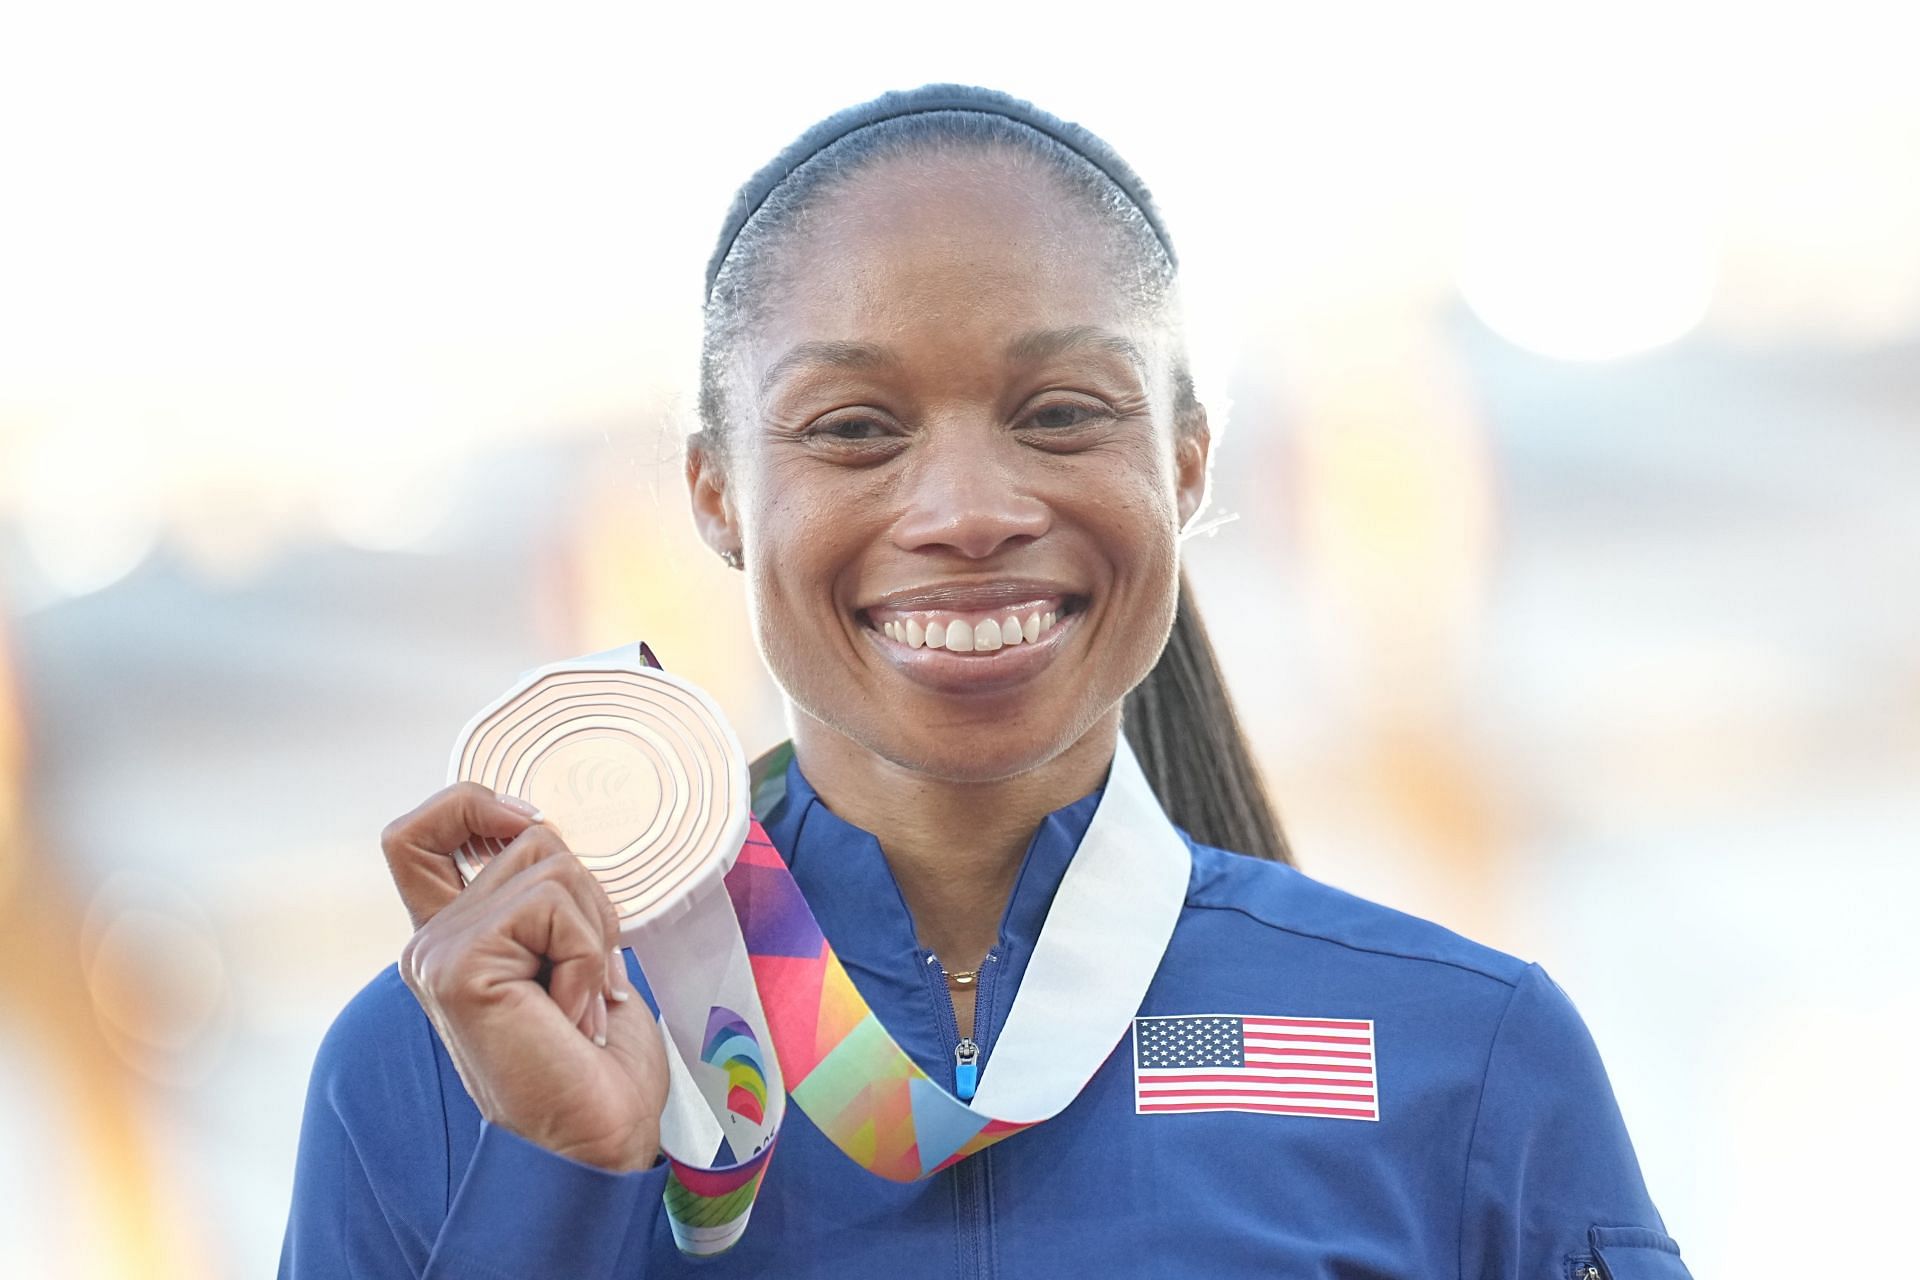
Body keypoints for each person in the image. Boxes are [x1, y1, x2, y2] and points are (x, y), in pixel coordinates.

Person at [278, 84, 1694, 1279]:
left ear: (1186, 460)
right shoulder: (436, 1062)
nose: (964, 508)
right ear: (714, 494)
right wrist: (568, 1180)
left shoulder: (1462, 1049)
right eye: (853, 428)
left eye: (1061, 412)